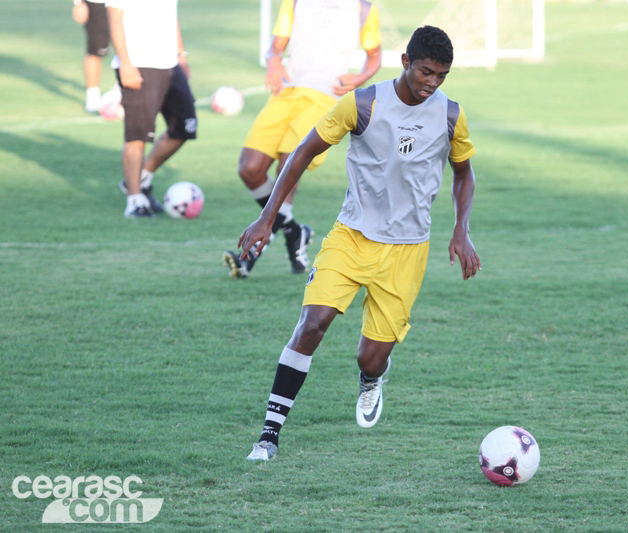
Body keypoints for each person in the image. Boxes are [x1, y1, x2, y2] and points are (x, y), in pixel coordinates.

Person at [238, 26, 481, 461]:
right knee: (311, 325)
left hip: (407, 250)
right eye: (426, 72)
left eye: (441, 76)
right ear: (405, 62)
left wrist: (461, 228)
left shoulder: (449, 115)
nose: (432, 83)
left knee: (370, 359)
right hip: (351, 236)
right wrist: (266, 217)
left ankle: (372, 380)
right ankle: (269, 435)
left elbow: (463, 172)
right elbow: (303, 151)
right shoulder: (363, 104)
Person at [223, 0, 382, 277]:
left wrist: (360, 78)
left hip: (323, 99)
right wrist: (273, 59)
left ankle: (248, 259)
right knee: (249, 168)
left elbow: (375, 55)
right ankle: (295, 232)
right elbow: (276, 45)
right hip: (285, 92)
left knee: (288, 168)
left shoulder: (363, 8)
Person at [106, 0, 198, 218]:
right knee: (137, 136)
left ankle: (142, 178)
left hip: (170, 64)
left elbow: (170, 15)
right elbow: (115, 20)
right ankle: (135, 200)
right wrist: (126, 64)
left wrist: (181, 54)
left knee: (185, 127)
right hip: (139, 64)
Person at [72, 0, 109, 113]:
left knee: (131, 48)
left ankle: (122, 94)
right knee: (95, 50)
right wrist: (78, 3)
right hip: (97, 3)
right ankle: (93, 98)